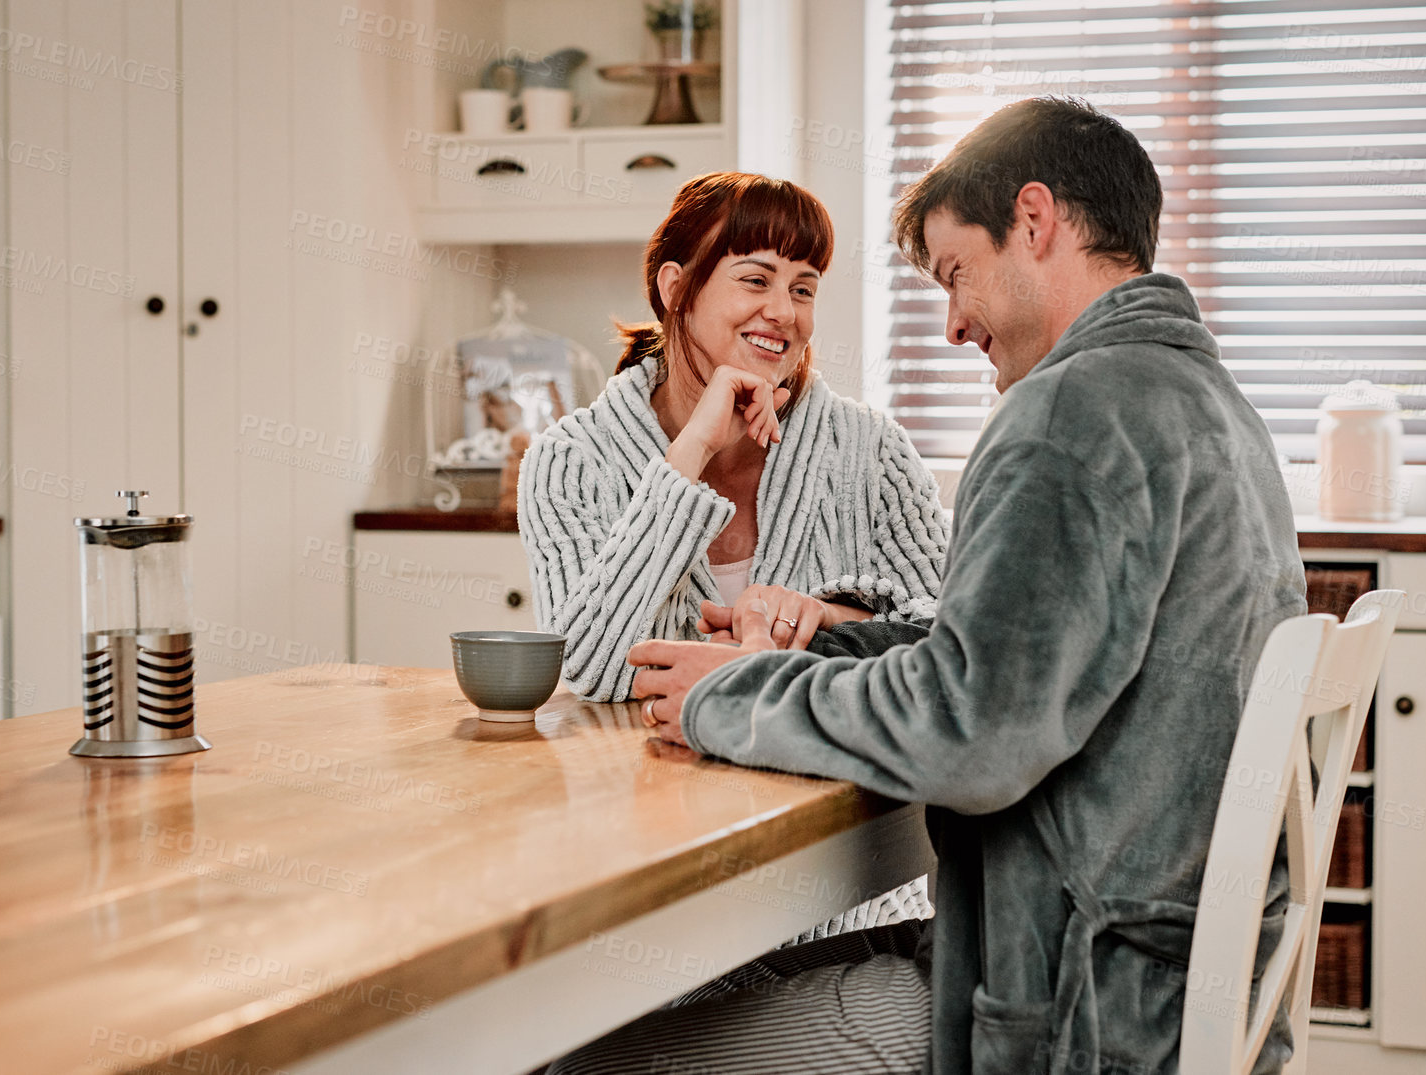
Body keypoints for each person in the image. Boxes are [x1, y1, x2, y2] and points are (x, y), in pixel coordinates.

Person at [568, 98, 1306, 1075]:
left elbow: (972, 732)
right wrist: (822, 646)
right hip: (1144, 975)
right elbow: (994, 660)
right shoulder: (1206, 406)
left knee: (579, 1056)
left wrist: (726, 695)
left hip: (1066, 1004)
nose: (953, 323)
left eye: (954, 273)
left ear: (1034, 221)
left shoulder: (1069, 417)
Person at [517, 171, 949, 938]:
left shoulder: (870, 451)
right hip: (650, 886)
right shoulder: (570, 459)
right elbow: (590, 664)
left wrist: (824, 621)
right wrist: (691, 451)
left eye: (804, 287)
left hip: (850, 897)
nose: (782, 313)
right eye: (755, 279)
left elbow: (956, 642)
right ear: (676, 287)